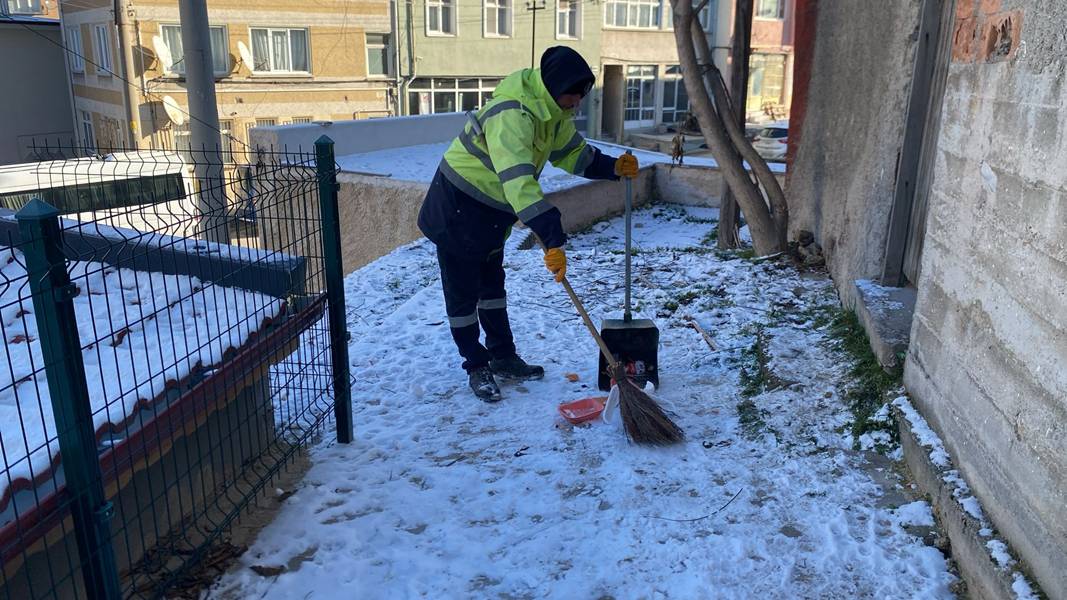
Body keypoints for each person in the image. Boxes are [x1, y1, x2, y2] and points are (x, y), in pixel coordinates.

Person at [418, 46, 639, 402]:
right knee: (463, 297)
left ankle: (503, 356)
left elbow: (572, 153)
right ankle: (476, 367)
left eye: (583, 96)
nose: (578, 103)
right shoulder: (513, 116)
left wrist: (611, 167)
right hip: (458, 209)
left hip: (491, 212)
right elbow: (519, 183)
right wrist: (552, 237)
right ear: (556, 86)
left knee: (492, 288)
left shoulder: (553, 113)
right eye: (574, 94)